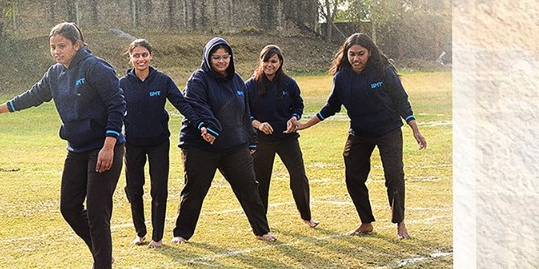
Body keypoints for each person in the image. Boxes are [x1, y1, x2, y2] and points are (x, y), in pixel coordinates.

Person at [0, 22, 125, 269]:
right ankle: (101, 253)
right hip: (76, 149)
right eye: (53, 47)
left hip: (103, 147)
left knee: (96, 209)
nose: (56, 52)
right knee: (69, 207)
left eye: (62, 46)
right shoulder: (55, 74)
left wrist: (109, 145)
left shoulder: (95, 68)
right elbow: (31, 96)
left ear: (77, 45)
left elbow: (117, 104)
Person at [291, 32, 427, 239]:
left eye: (360, 54)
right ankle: (366, 223)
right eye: (351, 54)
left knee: (394, 176)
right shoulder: (342, 77)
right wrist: (305, 125)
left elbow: (402, 101)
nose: (355, 58)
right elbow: (331, 106)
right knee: (353, 177)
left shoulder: (384, 72)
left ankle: (400, 224)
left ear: (370, 53)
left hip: (388, 130)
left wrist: (415, 129)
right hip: (360, 133)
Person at [172, 38, 277, 245]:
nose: (221, 61)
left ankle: (261, 230)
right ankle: (182, 233)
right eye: (216, 57)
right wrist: (208, 126)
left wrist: (251, 139)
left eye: (225, 57)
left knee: (249, 186)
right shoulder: (198, 80)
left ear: (230, 58)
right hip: (201, 145)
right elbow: (197, 106)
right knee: (195, 189)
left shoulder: (237, 81)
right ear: (208, 58)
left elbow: (244, 112)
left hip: (234, 146)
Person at [118, 38, 187, 247]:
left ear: (151, 56)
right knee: (134, 187)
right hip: (132, 144)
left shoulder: (162, 80)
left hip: (158, 142)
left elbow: (182, 104)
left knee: (159, 188)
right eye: (136, 55)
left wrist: (202, 122)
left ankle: (157, 236)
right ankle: (140, 232)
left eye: (144, 55)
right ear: (130, 58)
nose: (141, 59)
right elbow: (112, 110)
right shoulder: (122, 84)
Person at [246, 44, 318, 227]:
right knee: (261, 181)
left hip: (287, 139)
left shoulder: (289, 83)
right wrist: (259, 125)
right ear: (260, 61)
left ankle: (306, 216)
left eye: (273, 61)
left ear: (280, 63)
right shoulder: (250, 85)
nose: (269, 65)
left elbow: (298, 105)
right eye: (266, 61)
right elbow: (244, 113)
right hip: (262, 140)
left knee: (299, 176)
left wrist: (294, 118)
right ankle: (261, 223)